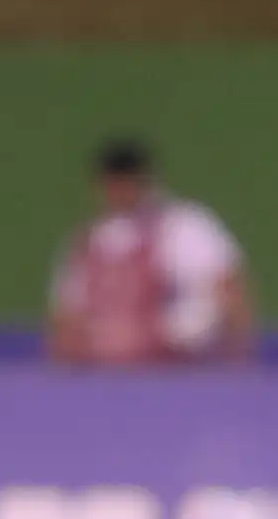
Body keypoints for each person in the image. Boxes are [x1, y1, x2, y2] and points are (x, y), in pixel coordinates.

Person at [46, 138, 255, 366]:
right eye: (114, 183)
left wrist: (236, 363)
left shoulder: (185, 227)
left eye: (127, 182)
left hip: (177, 368)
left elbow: (229, 291)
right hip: (104, 370)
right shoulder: (89, 242)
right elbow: (67, 318)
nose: (120, 191)